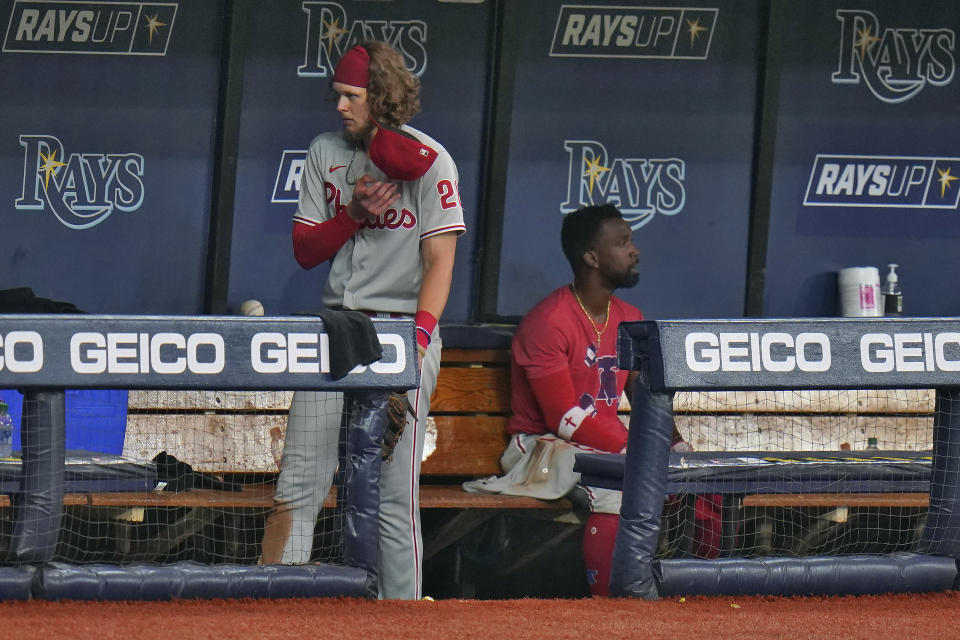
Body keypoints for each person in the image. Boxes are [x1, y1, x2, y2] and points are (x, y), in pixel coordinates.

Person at [259, 41, 465, 601]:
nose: (341, 107)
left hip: (400, 333)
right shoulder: (325, 152)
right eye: (339, 96)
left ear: (380, 97)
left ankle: (400, 617)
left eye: (351, 96)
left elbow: (439, 261)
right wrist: (352, 215)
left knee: (393, 496)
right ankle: (272, 614)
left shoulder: (432, 160)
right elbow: (305, 250)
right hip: (336, 331)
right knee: (299, 485)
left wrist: (418, 343)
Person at [464, 203, 713, 597]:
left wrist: (675, 443)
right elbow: (563, 417)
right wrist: (637, 451)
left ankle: (701, 597)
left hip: (608, 447)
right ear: (592, 257)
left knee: (700, 482)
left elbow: (646, 398)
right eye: (623, 243)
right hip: (538, 448)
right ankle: (610, 611)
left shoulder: (629, 317)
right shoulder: (548, 321)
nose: (635, 250)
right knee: (616, 490)